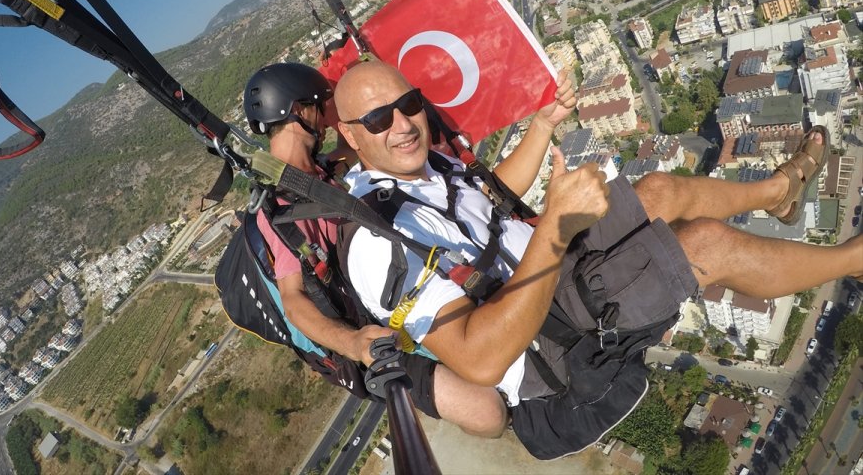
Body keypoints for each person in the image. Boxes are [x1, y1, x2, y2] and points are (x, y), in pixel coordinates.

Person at [333, 59, 863, 458]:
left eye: (409, 104)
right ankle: (853, 259)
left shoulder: (425, 167)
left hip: (551, 277)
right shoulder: (374, 244)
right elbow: (481, 359)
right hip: (541, 350)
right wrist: (556, 225)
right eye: (380, 118)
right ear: (351, 135)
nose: (403, 124)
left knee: (657, 191)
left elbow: (489, 205)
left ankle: (777, 192)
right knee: (703, 244)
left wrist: (541, 126)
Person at [242, 62, 508, 437]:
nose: (327, 118)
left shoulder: (318, 173)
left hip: (393, 291)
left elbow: (357, 145)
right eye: (322, 106)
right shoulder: (281, 211)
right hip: (367, 335)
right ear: (301, 111)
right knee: (487, 413)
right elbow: (293, 300)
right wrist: (352, 343)